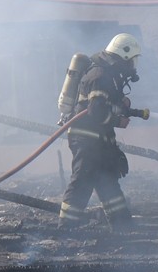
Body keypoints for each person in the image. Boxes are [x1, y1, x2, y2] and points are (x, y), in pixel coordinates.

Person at [59, 33, 147, 231]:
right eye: (132, 60)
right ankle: (65, 229)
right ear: (124, 57)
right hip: (87, 139)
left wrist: (120, 103)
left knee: (107, 178)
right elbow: (96, 110)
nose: (133, 65)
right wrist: (118, 121)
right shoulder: (100, 76)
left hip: (99, 139)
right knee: (82, 180)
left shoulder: (109, 75)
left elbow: (104, 104)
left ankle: (123, 224)